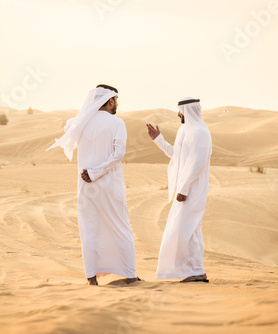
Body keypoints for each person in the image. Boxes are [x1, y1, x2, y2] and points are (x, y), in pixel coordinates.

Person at [46, 84, 140, 285]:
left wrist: (91, 173)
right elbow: (118, 154)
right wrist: (96, 172)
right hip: (109, 184)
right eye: (116, 100)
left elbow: (69, 127)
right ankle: (130, 275)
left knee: (90, 228)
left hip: (86, 184)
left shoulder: (80, 123)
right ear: (110, 100)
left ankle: (91, 278)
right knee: (120, 226)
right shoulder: (117, 123)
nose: (117, 105)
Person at [146, 97, 212, 283]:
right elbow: (176, 155)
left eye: (180, 110)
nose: (178, 114)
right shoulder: (185, 130)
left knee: (187, 229)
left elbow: (197, 163)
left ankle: (197, 271)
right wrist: (158, 140)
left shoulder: (201, 132)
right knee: (188, 230)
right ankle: (195, 271)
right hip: (184, 189)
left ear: (189, 110)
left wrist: (183, 188)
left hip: (193, 189)